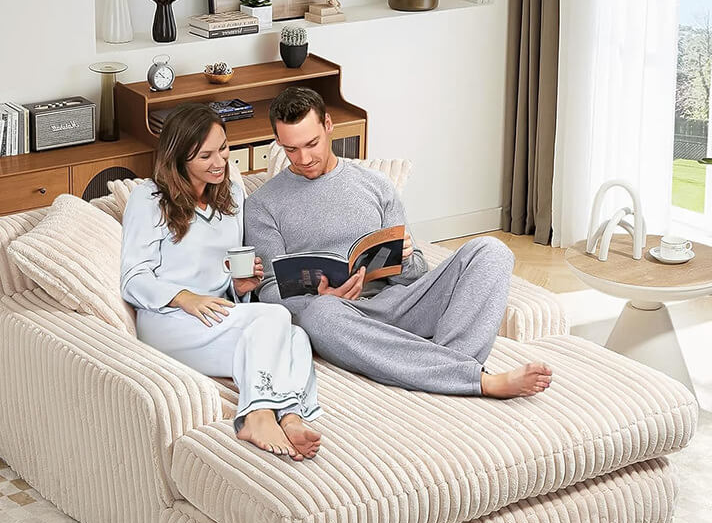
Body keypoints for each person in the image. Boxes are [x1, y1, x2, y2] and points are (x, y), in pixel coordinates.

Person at [244, 87, 553, 399]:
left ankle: (441, 367)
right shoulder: (262, 205)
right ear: (279, 142)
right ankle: (474, 378)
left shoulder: (376, 185)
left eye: (312, 144)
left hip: (400, 305)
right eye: (291, 149)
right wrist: (319, 298)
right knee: (319, 315)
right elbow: (268, 291)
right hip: (343, 320)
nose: (304, 158)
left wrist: (404, 258)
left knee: (491, 251)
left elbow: (416, 275)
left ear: (327, 125)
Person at [120, 103, 322, 461]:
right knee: (275, 317)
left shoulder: (232, 192)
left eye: (223, 149)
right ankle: (257, 415)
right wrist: (184, 297)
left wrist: (240, 287)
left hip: (219, 315)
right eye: (205, 156)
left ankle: (290, 415)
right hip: (169, 321)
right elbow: (133, 278)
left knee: (295, 337)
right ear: (179, 157)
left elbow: (226, 273)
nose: (219, 162)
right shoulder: (148, 198)